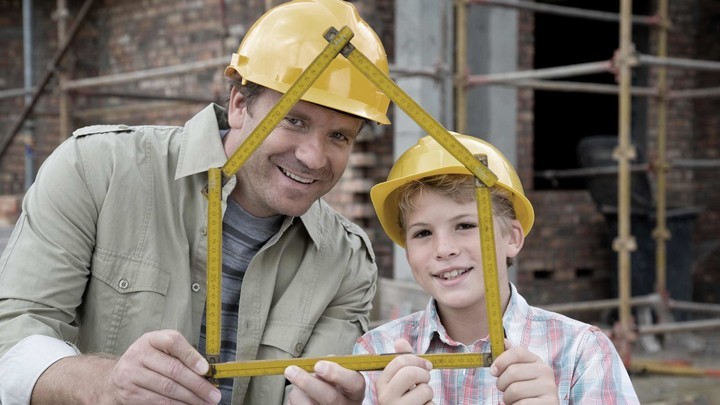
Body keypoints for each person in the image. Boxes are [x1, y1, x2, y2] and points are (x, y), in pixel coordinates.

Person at [0, 0, 392, 404]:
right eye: (294, 120)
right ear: (240, 104)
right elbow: (11, 337)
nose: (314, 156)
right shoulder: (98, 170)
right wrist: (105, 384)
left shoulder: (347, 261)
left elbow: (310, 392)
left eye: (339, 136)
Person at [349, 133, 640, 404]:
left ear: (512, 238)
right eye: (423, 233)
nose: (443, 249)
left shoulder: (582, 352)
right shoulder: (377, 353)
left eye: (465, 225)